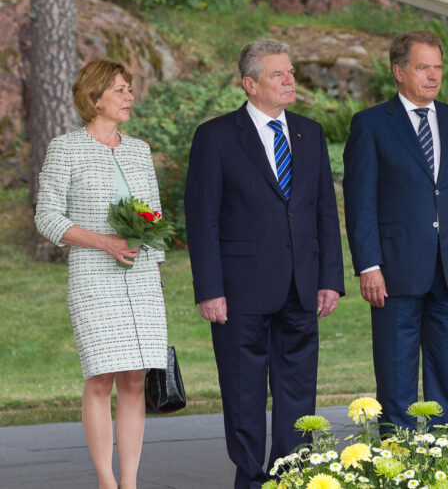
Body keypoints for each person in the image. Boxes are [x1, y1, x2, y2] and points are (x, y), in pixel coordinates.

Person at [183, 39, 345, 488]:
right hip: (239, 290)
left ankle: (291, 476)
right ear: (250, 84)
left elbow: (323, 214)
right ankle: (251, 479)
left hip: (301, 285)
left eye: (291, 71)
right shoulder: (215, 137)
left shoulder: (309, 133)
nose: (290, 80)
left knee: (298, 392)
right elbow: (202, 220)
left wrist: (330, 277)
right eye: (278, 74)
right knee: (244, 391)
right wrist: (209, 288)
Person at [343, 30, 448, 432]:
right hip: (393, 272)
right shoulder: (371, 125)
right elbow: (360, 205)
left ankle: (446, 463)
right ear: (398, 72)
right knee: (396, 382)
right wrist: (368, 266)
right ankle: (400, 459)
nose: (433, 76)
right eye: (423, 67)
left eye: (438, 67)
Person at [34, 59, 167, 489]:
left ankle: (130, 482)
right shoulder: (65, 148)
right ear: (94, 99)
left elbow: (154, 215)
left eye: (129, 89)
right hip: (94, 277)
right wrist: (104, 241)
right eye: (120, 90)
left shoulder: (139, 149)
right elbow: (48, 218)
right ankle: (106, 482)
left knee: (134, 379)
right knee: (100, 378)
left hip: (143, 279)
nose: (130, 97)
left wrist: (156, 263)